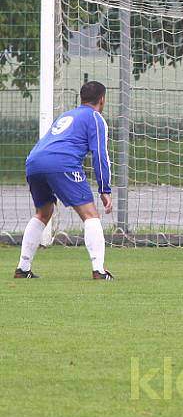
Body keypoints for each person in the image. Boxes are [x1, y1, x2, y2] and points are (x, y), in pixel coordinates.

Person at [15, 81, 114, 279]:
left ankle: (23, 268)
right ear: (102, 100)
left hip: (34, 161)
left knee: (44, 212)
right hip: (61, 163)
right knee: (90, 215)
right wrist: (105, 189)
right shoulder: (96, 118)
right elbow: (100, 155)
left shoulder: (66, 115)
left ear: (81, 98)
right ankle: (99, 271)